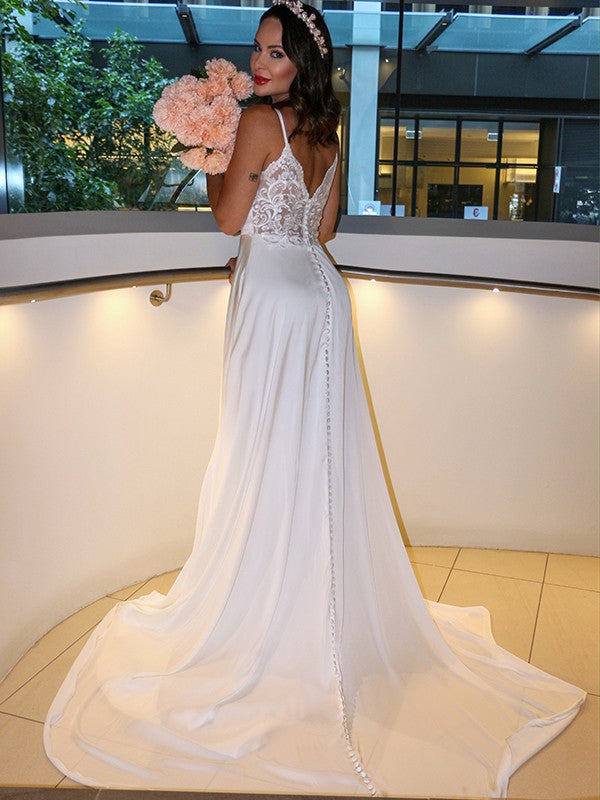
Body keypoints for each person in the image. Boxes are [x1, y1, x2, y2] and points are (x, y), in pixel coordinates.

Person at [44, 2, 585, 796]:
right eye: (258, 50)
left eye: (275, 52)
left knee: (263, 449)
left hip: (272, 300)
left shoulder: (260, 123)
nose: (259, 64)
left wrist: (210, 154)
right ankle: (317, 601)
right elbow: (323, 229)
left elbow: (228, 220)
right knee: (314, 456)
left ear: (302, 60)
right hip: (322, 296)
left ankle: (274, 609)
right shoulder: (326, 132)